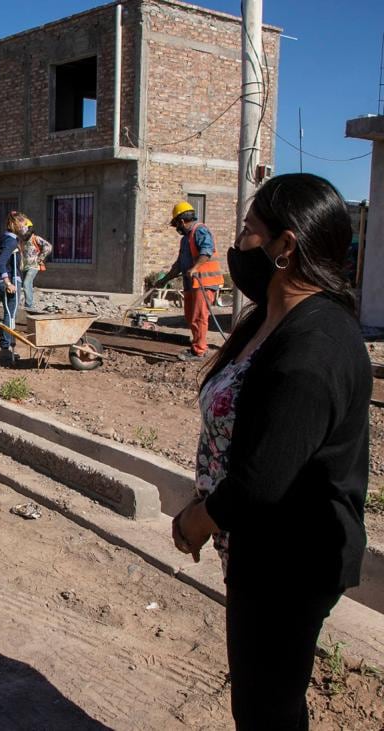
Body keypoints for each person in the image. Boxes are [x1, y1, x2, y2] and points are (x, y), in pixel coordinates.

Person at [171, 174, 370, 730]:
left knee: (268, 708)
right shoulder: (269, 316)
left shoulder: (315, 347)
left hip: (291, 559)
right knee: (263, 697)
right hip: (257, 546)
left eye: (249, 230)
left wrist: (198, 520)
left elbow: (263, 480)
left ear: (286, 246)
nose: (236, 243)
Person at [155, 201, 224, 361]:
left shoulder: (200, 231)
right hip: (191, 284)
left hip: (204, 282)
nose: (176, 229)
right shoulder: (185, 239)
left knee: (200, 316)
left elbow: (206, 251)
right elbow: (179, 264)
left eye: (176, 225)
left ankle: (199, 351)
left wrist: (195, 268)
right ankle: (196, 346)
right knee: (190, 316)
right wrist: (164, 279)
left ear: (181, 221)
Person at [0, 211, 30, 364]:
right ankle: (5, 349)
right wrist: (8, 282)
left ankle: (5, 348)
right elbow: (1, 262)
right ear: (16, 224)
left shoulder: (7, 238)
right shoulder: (11, 241)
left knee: (10, 314)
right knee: (10, 315)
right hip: (10, 282)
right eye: (23, 224)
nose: (25, 227)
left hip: (5, 281)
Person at [20, 230, 52, 311]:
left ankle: (28, 306)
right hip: (24, 266)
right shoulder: (22, 240)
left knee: (26, 284)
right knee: (28, 285)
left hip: (34, 266)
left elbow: (48, 247)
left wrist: (40, 258)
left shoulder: (36, 238)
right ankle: (29, 305)